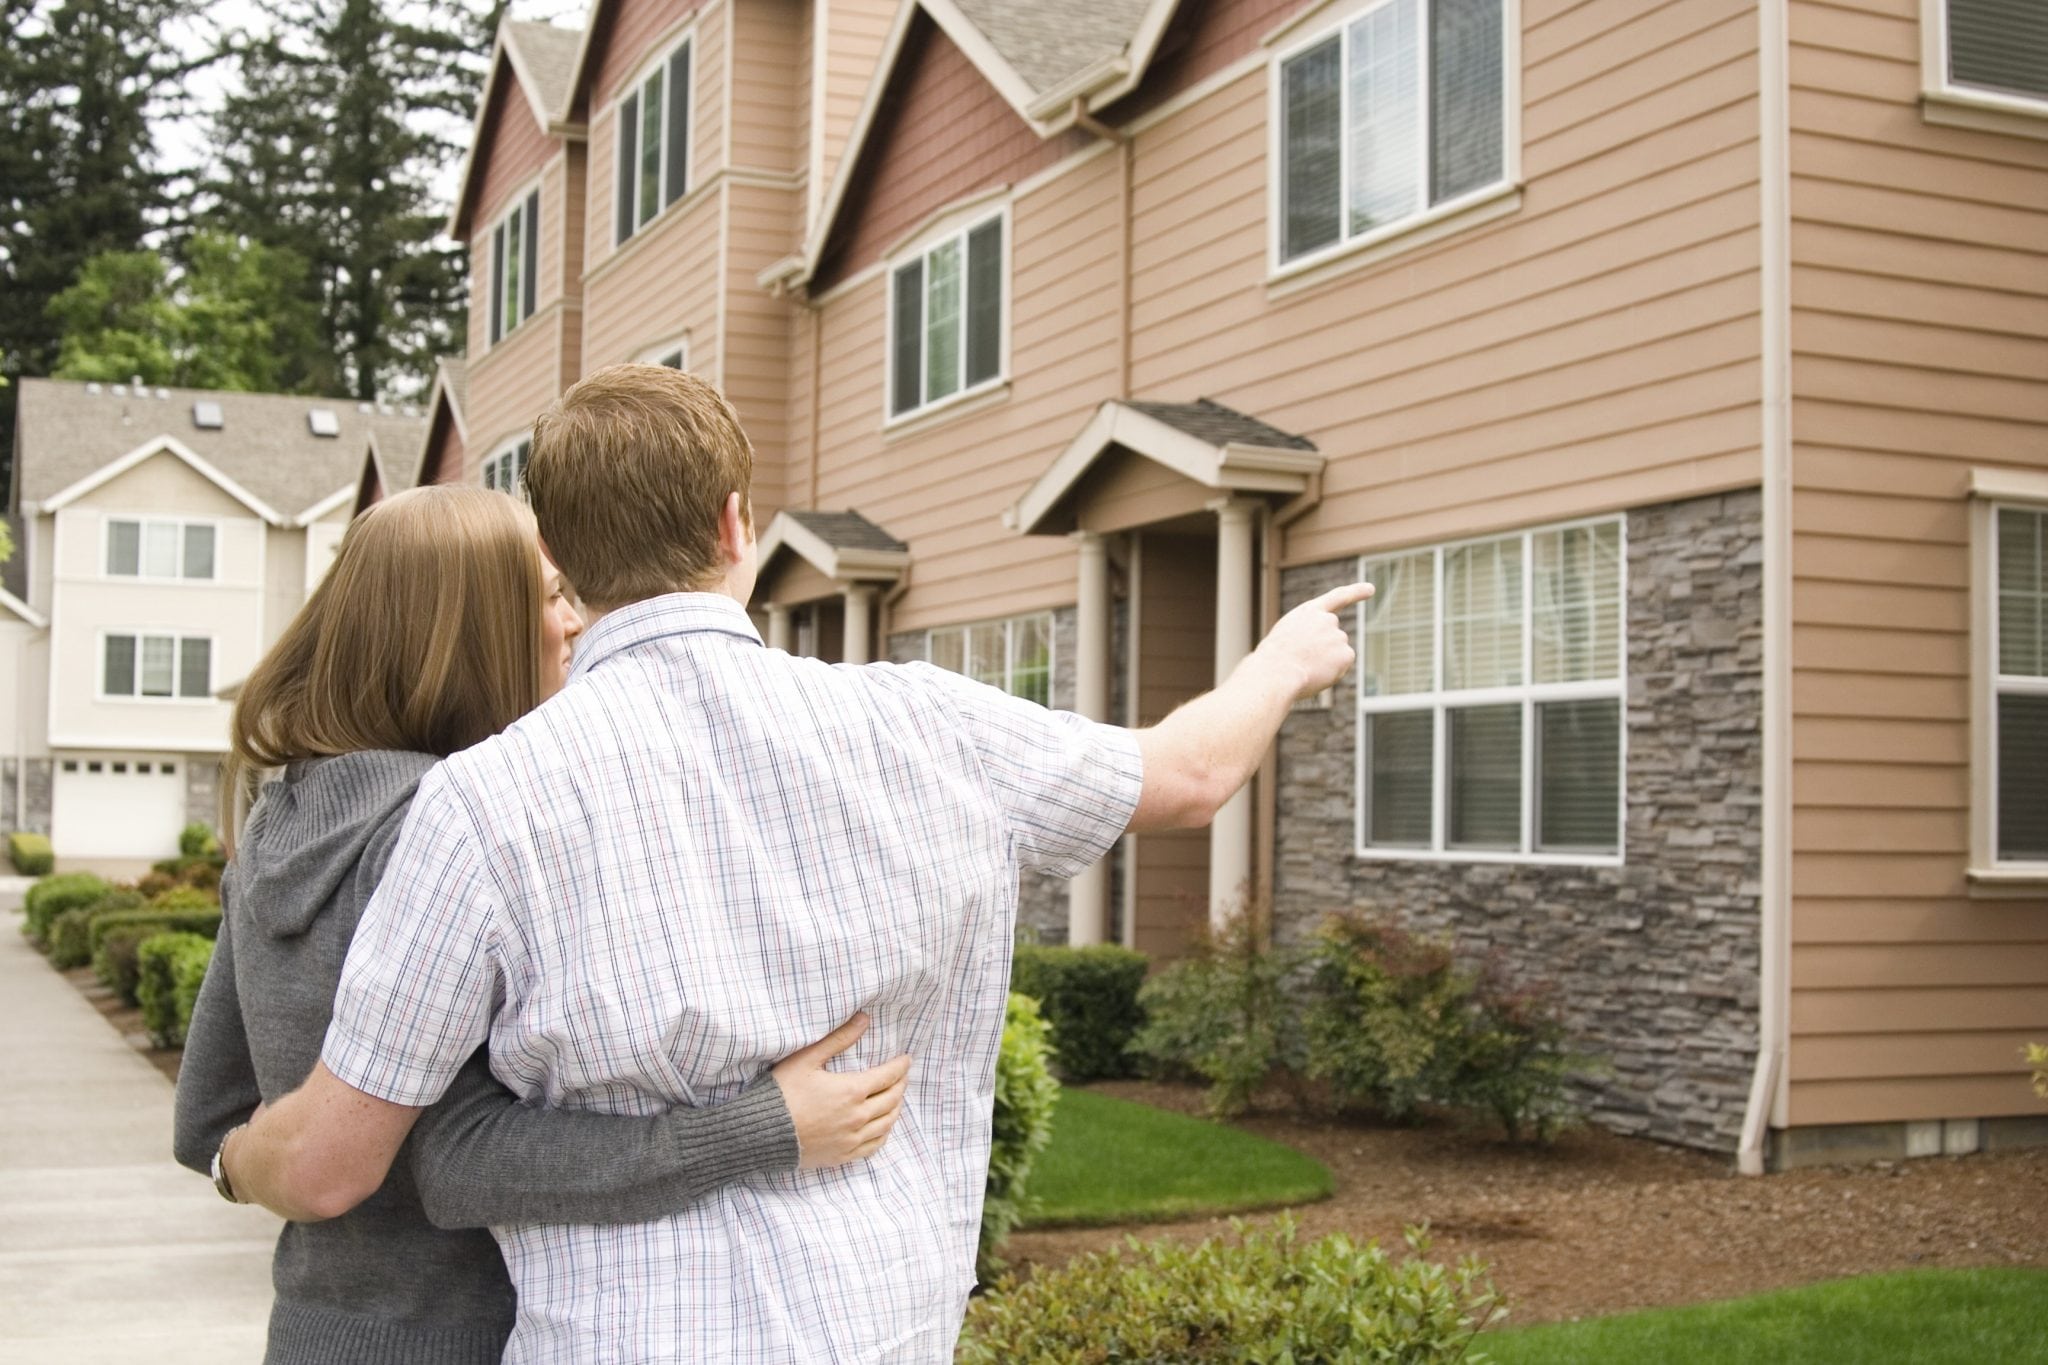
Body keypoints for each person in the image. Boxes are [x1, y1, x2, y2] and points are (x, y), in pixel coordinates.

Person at [221, 366, 1373, 1362]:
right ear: (736, 527)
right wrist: (1278, 661)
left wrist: (230, 1156)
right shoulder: (931, 724)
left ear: (561, 565)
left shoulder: (476, 804)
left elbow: (352, 1160)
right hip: (883, 1324)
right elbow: (1183, 777)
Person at [173, 484, 909, 1365]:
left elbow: (206, 1118)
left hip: (318, 1333)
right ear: (469, 633)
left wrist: (248, 1164)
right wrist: (762, 1127)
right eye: (552, 595)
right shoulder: (444, 829)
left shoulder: (277, 821)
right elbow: (461, 1160)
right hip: (473, 1336)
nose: (573, 624)